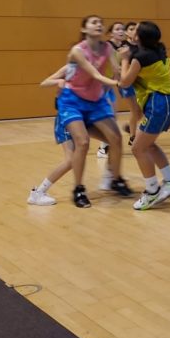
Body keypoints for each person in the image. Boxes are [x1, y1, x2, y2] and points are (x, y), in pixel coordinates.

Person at [39, 15, 127, 207]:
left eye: (100, 22)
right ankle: (78, 189)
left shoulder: (108, 48)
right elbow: (95, 73)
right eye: (93, 22)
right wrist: (117, 83)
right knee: (83, 143)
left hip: (95, 101)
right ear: (84, 29)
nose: (99, 24)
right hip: (72, 102)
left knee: (116, 138)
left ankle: (115, 179)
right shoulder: (77, 51)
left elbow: (116, 69)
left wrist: (125, 65)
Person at [119, 21, 170, 211]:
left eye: (135, 30)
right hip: (166, 100)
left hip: (160, 102)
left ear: (139, 37)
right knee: (148, 144)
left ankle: (152, 191)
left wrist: (124, 59)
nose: (131, 31)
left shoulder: (140, 57)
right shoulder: (157, 49)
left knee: (138, 149)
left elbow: (124, 82)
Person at [27, 64, 111, 206]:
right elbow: (44, 82)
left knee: (113, 141)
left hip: (85, 117)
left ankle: (110, 179)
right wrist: (60, 82)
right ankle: (38, 192)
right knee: (71, 161)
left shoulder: (96, 69)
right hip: (67, 118)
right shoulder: (70, 68)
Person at [97, 21, 141, 160]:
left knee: (110, 116)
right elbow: (116, 68)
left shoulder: (122, 47)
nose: (121, 31)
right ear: (111, 33)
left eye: (123, 29)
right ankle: (102, 148)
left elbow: (119, 71)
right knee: (107, 117)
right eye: (117, 29)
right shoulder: (107, 46)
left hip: (109, 85)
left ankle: (104, 145)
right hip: (99, 84)